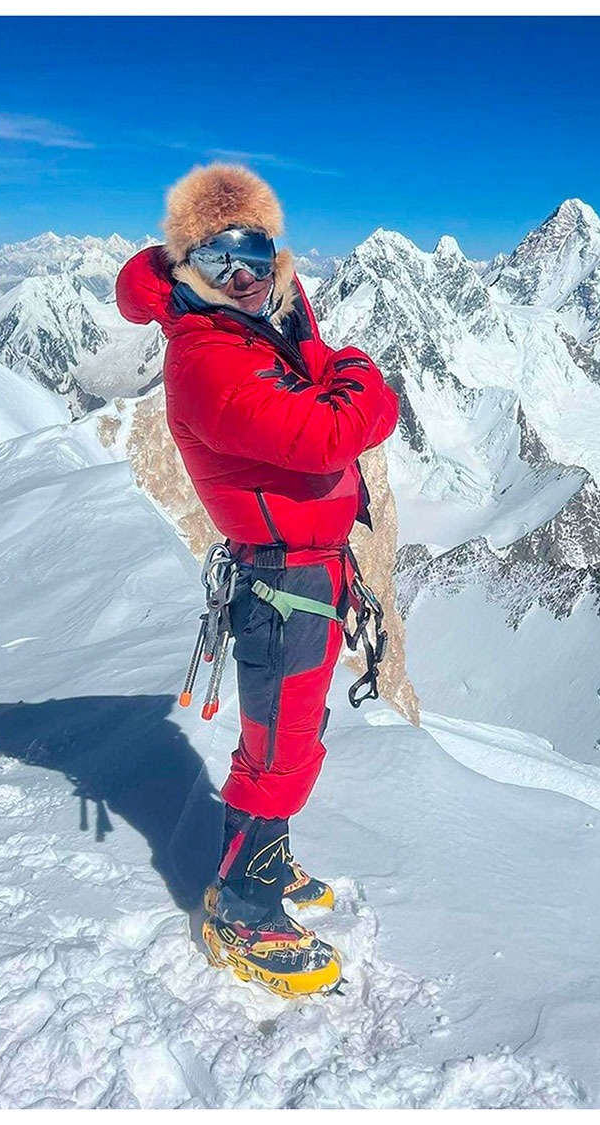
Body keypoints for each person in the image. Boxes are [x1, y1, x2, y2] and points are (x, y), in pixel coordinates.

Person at [115, 164, 399, 998]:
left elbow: (304, 351)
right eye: (215, 257)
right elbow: (330, 433)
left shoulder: (247, 325)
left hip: (300, 573)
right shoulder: (208, 357)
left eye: (256, 252)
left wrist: (300, 319)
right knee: (282, 748)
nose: (241, 273)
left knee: (283, 737)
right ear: (183, 267)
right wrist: (357, 367)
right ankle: (243, 902)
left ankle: (262, 849)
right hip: (285, 581)